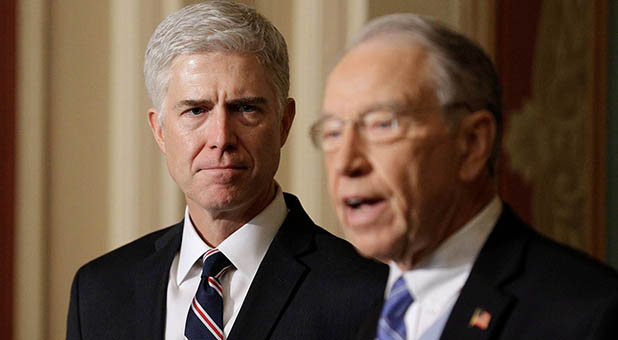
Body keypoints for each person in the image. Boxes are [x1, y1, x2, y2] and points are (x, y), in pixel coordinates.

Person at [66, 2, 387, 339]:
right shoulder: (98, 291)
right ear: (159, 130)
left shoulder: (367, 294)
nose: (221, 138)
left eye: (245, 108)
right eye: (195, 111)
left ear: (283, 123)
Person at [313, 13, 618, 340]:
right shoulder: (348, 315)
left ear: (472, 143)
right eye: (332, 133)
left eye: (382, 125)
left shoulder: (590, 315)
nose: (346, 163)